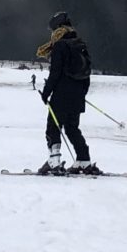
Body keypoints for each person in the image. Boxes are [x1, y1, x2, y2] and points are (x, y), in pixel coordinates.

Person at [34, 10, 95, 174]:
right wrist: (82, 93)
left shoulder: (60, 46)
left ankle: (54, 161)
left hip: (61, 95)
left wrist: (46, 93)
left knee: (53, 128)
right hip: (77, 96)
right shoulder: (80, 44)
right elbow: (87, 72)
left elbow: (55, 73)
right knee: (72, 128)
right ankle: (83, 160)